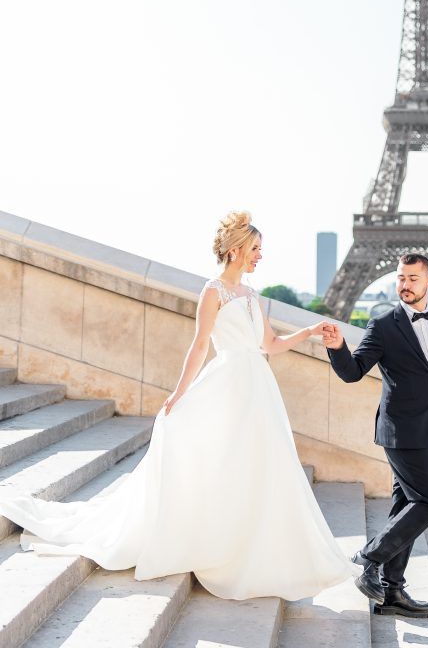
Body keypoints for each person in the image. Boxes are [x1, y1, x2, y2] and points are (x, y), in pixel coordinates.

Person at [0, 211, 359, 600]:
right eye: (256, 249)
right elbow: (200, 345)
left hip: (258, 390)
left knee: (253, 465)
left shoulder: (251, 296)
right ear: (237, 250)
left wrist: (307, 332)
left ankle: (240, 541)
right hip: (228, 386)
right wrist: (179, 393)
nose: (260, 256)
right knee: (219, 459)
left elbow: (268, 345)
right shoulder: (214, 291)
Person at [323, 253, 428, 618]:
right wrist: (337, 347)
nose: (405, 285)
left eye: (413, 278)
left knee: (406, 507)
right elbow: (353, 372)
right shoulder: (383, 325)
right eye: (401, 278)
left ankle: (392, 591)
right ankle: (368, 556)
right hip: (400, 432)